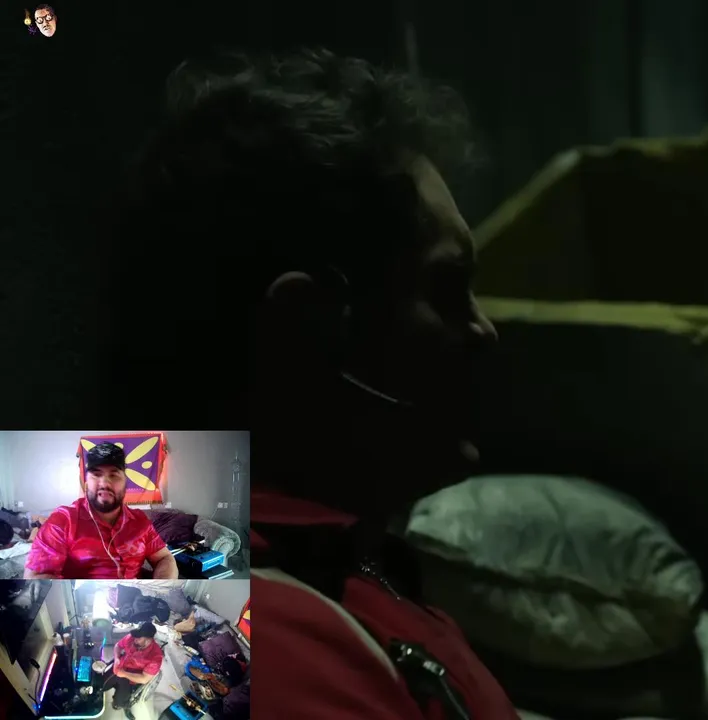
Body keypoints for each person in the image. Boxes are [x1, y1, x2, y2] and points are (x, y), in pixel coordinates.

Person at [108, 48, 515, 718]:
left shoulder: (324, 568)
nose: (484, 332)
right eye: (445, 289)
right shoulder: (255, 658)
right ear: (304, 330)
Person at [23, 443, 178, 580]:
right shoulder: (62, 521)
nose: (104, 483)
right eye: (96, 475)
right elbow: (36, 577)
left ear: (125, 483)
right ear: (86, 483)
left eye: (113, 475)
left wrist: (162, 586)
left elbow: (164, 558)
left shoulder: (140, 521)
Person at [104, 621, 162, 720]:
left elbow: (144, 679)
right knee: (101, 683)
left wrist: (124, 674)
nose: (135, 639)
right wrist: (117, 658)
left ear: (148, 639)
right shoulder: (132, 638)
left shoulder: (156, 656)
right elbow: (118, 646)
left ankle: (125, 706)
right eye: (135, 636)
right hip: (120, 665)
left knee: (119, 703)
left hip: (132, 679)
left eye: (139, 638)